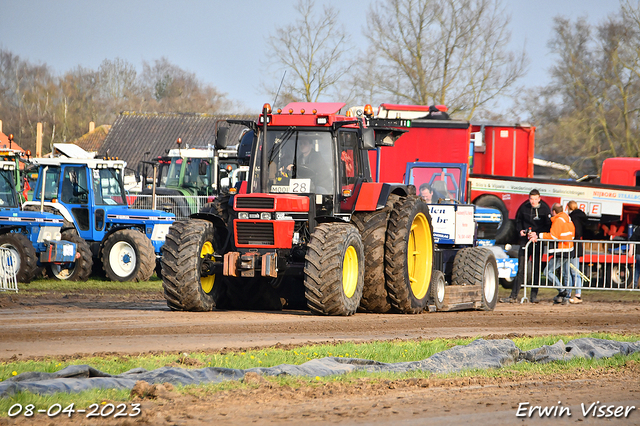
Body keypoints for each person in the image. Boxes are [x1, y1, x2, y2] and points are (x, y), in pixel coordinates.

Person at [500, 189, 551, 303]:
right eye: (531, 199)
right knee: (521, 268)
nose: (533, 201)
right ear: (529, 199)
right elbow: (518, 221)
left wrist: (537, 234)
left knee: (536, 269)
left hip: (538, 242)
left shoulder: (545, 209)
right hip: (525, 242)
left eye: (535, 199)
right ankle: (513, 296)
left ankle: (534, 296)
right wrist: (521, 231)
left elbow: (548, 226)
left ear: (539, 198)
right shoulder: (524, 207)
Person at [533, 203, 575, 305]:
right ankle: (566, 297)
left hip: (561, 250)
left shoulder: (558, 220)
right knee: (566, 274)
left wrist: (539, 235)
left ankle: (562, 291)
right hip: (569, 248)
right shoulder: (567, 218)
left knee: (547, 272)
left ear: (554, 212)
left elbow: (553, 236)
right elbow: (572, 234)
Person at [567, 201, 587, 303]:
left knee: (571, 271)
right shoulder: (581, 217)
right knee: (575, 271)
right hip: (578, 246)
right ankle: (577, 294)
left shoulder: (571, 218)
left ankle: (570, 294)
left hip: (571, 246)